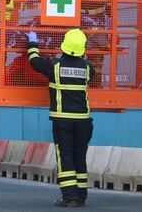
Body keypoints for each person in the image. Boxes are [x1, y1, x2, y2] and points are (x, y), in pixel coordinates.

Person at [26, 29, 94, 207]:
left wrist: (33, 44)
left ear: (64, 45)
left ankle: (69, 197)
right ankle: (80, 196)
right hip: (84, 121)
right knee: (79, 156)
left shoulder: (55, 66)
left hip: (63, 120)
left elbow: (35, 62)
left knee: (65, 156)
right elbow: (91, 73)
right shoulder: (87, 68)